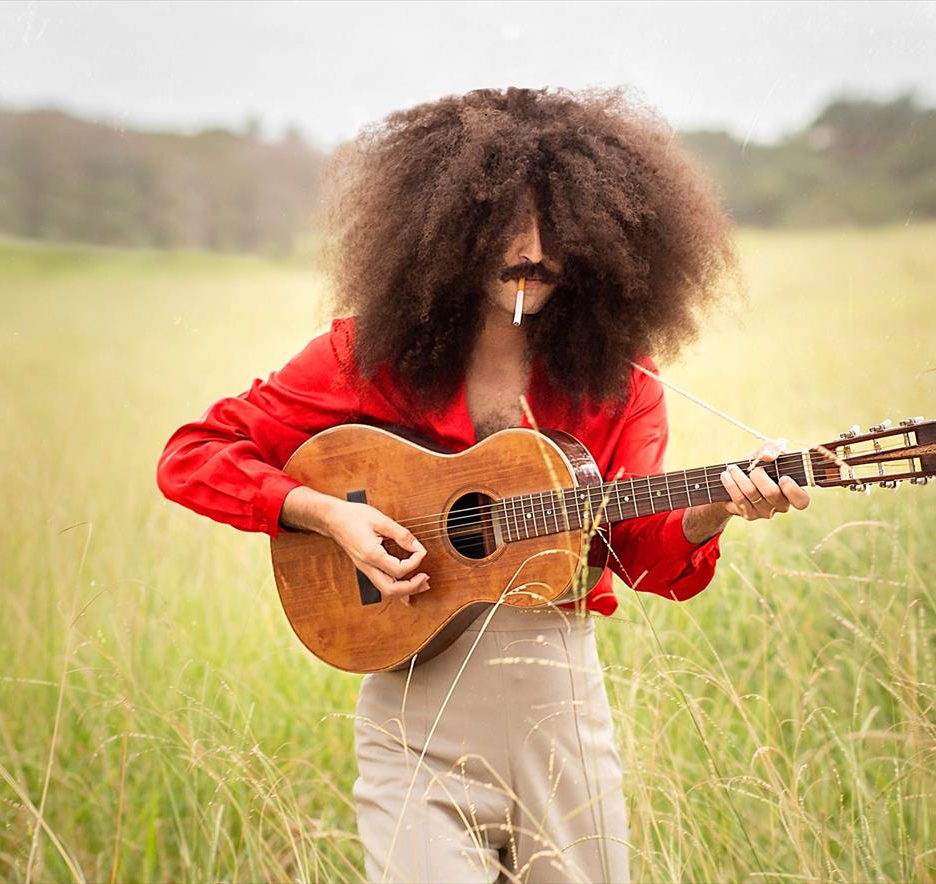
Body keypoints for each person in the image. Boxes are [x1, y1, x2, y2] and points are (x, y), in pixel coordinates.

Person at [157, 86, 809, 883]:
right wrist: (325, 514)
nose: (531, 250)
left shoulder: (621, 386)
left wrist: (713, 508)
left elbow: (639, 557)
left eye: (556, 227)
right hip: (412, 718)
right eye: (505, 225)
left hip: (559, 719)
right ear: (448, 229)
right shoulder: (363, 359)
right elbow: (193, 453)